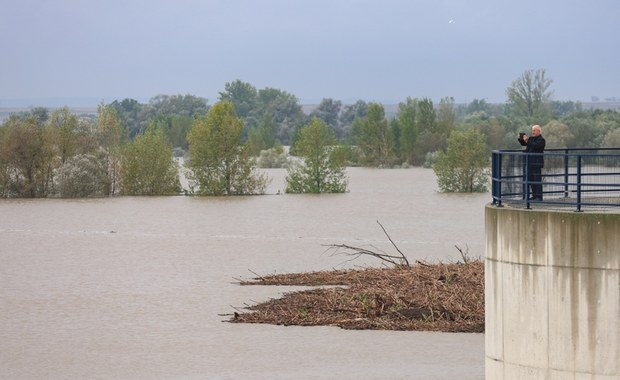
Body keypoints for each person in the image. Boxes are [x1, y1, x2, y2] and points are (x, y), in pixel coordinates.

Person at [518, 125, 546, 200]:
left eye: (534, 130)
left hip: (537, 163)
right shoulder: (531, 139)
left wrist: (528, 141)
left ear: (539, 131)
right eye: (532, 130)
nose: (532, 132)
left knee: (537, 180)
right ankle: (534, 196)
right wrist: (521, 138)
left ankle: (539, 197)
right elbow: (524, 144)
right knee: (531, 180)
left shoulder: (541, 140)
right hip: (529, 162)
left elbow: (535, 146)